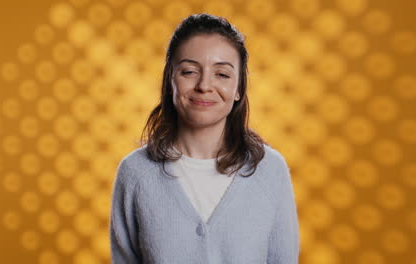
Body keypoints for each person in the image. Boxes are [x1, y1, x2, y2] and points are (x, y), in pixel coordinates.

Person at [110, 13, 300, 264]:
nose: (204, 85)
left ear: (239, 88)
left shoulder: (269, 171)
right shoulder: (135, 173)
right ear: (170, 81)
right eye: (189, 71)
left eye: (222, 74)